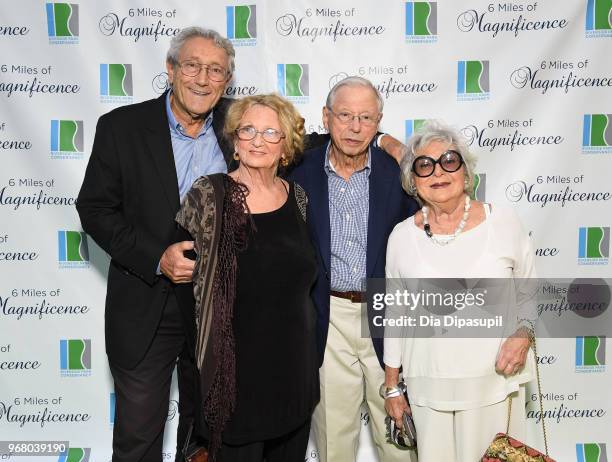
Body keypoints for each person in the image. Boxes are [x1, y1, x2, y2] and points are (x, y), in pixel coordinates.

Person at [175, 93, 318, 462]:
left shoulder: (298, 197)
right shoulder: (209, 195)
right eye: (248, 130)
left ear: (286, 146)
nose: (258, 139)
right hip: (234, 381)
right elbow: (182, 289)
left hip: (293, 372)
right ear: (235, 142)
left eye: (271, 132)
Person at [383, 121, 537, 461]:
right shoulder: (401, 237)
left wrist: (523, 334)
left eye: (449, 161)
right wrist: (392, 386)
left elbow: (529, 292)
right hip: (427, 387)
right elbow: (394, 315)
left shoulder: (505, 223)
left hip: (494, 383)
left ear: (466, 173)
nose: (438, 172)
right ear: (414, 182)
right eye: (425, 165)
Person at [289, 76, 419, 462]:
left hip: (389, 313)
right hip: (327, 314)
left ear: (379, 122)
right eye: (345, 115)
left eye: (366, 117)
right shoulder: (298, 170)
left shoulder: (401, 171)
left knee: (398, 434)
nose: (355, 127)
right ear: (326, 117)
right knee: (333, 434)